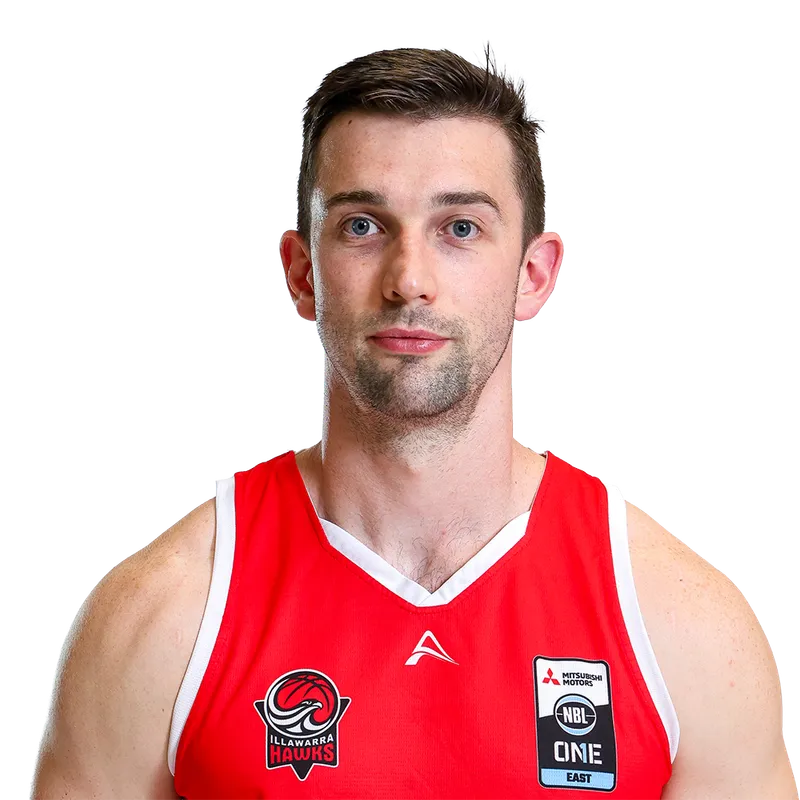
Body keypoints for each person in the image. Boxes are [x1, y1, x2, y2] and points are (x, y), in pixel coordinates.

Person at [30, 44, 794, 799]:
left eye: (459, 228)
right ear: (301, 273)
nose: (409, 281)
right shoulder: (165, 617)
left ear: (534, 275)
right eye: (363, 226)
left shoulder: (685, 629)